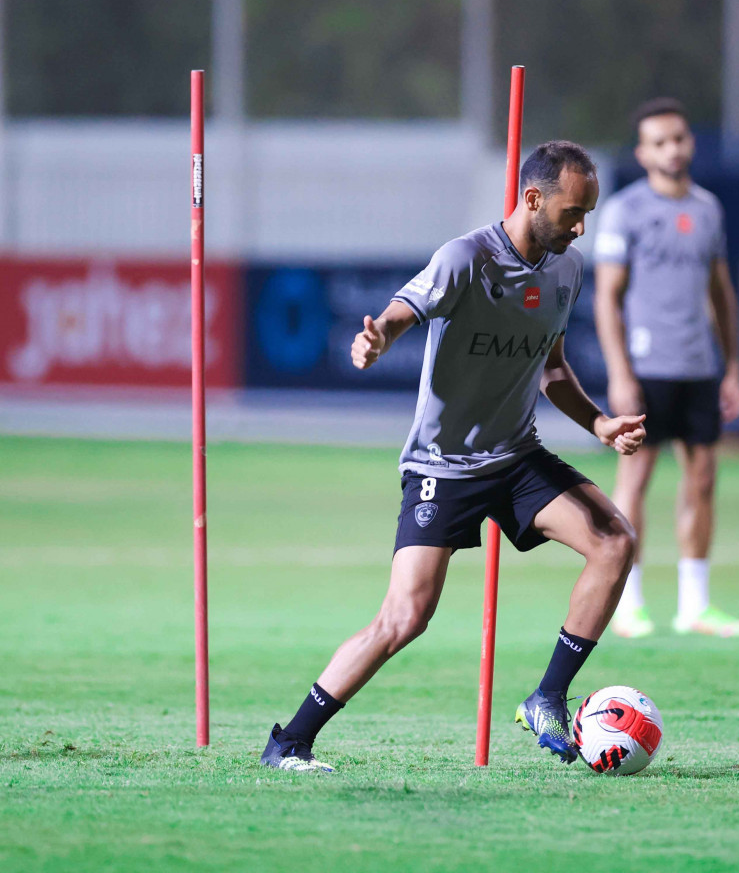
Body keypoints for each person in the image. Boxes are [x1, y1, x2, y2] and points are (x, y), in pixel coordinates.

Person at [261, 141, 647, 772]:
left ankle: (548, 697)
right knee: (405, 617)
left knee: (614, 541)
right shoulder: (465, 258)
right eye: (574, 212)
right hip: (442, 466)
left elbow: (551, 369)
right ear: (532, 198)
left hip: (518, 456)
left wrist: (600, 423)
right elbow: (398, 314)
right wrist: (375, 339)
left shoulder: (567, 269)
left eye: (588, 214)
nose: (582, 227)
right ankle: (290, 742)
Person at [593, 98, 739, 640]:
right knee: (634, 479)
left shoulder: (708, 209)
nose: (673, 148)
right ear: (642, 153)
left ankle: (695, 605)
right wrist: (620, 371)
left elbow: (720, 291)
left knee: (702, 480)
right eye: (660, 141)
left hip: (698, 366)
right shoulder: (625, 211)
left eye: (680, 138)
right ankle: (628, 603)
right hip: (646, 366)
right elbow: (607, 297)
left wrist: (731, 364)